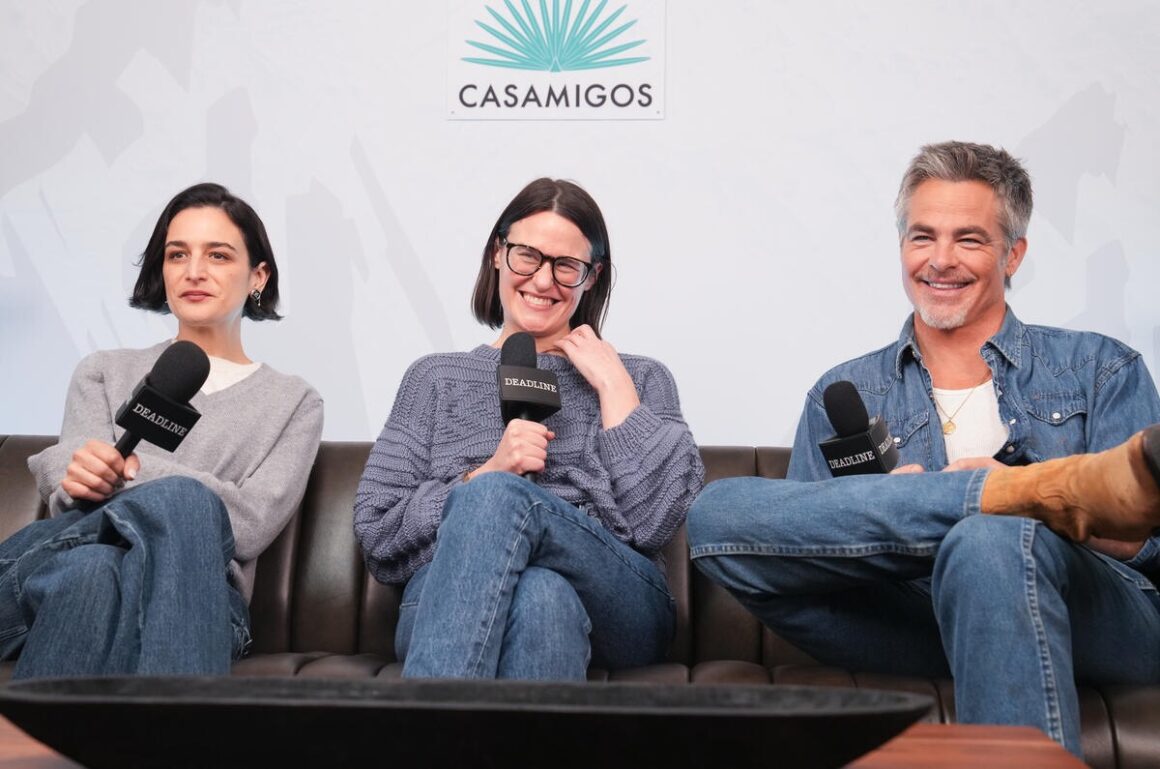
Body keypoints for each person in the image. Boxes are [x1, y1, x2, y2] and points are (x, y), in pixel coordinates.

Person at [687, 141, 1160, 758]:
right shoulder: (846, 392)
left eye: (969, 239)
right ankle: (998, 495)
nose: (940, 261)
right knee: (714, 513)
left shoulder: (1099, 369)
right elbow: (794, 557)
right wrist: (895, 507)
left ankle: (1005, 506)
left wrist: (1012, 526)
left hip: (1097, 619)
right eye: (921, 237)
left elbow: (1149, 549)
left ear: (1012, 253)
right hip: (916, 617)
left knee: (989, 541)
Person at [354, 177, 703, 680]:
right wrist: (482, 478)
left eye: (566, 266)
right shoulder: (434, 378)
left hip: (618, 603)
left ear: (592, 276)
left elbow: (652, 524)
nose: (543, 281)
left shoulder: (640, 376)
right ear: (498, 253)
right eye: (527, 256)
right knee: (541, 595)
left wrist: (613, 387)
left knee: (502, 499)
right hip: (444, 603)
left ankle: (419, 737)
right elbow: (377, 533)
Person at [3, 182, 323, 678]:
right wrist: (74, 470)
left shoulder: (294, 401)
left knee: (182, 506)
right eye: (177, 255)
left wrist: (129, 468)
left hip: (204, 601)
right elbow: (73, 503)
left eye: (218, 255)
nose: (194, 271)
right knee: (92, 566)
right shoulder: (103, 371)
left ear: (257, 276)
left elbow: (250, 523)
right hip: (75, 562)